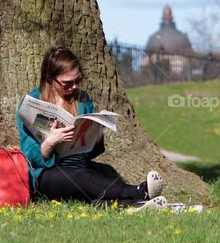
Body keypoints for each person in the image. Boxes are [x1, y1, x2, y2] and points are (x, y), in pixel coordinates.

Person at [16, 46, 167, 208]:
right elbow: (29, 158)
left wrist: (97, 128)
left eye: (77, 80)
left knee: (91, 177)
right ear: (49, 78)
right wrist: (50, 142)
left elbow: (91, 152)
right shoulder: (34, 103)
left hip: (80, 167)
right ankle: (139, 192)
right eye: (67, 83)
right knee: (80, 177)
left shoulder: (82, 100)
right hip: (46, 174)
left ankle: (133, 205)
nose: (74, 86)